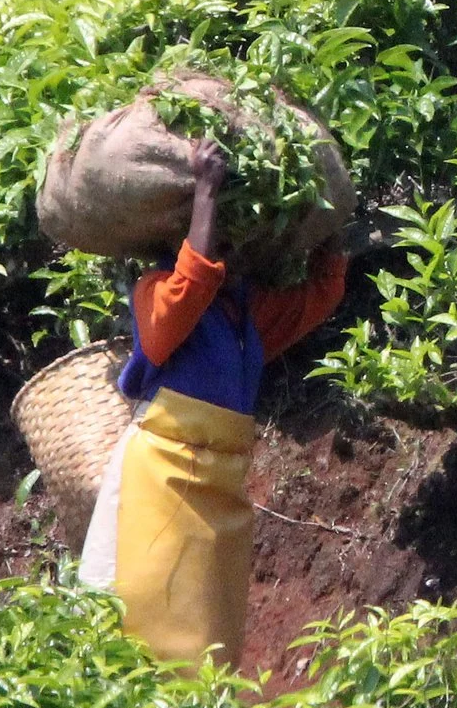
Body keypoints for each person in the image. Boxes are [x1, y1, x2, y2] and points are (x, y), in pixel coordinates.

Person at [79, 137, 346, 670]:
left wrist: (332, 216)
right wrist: (205, 191)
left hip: (220, 488)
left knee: (207, 636)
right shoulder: (155, 291)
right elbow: (188, 290)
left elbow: (319, 296)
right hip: (158, 480)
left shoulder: (244, 315)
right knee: (134, 618)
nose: (231, 253)